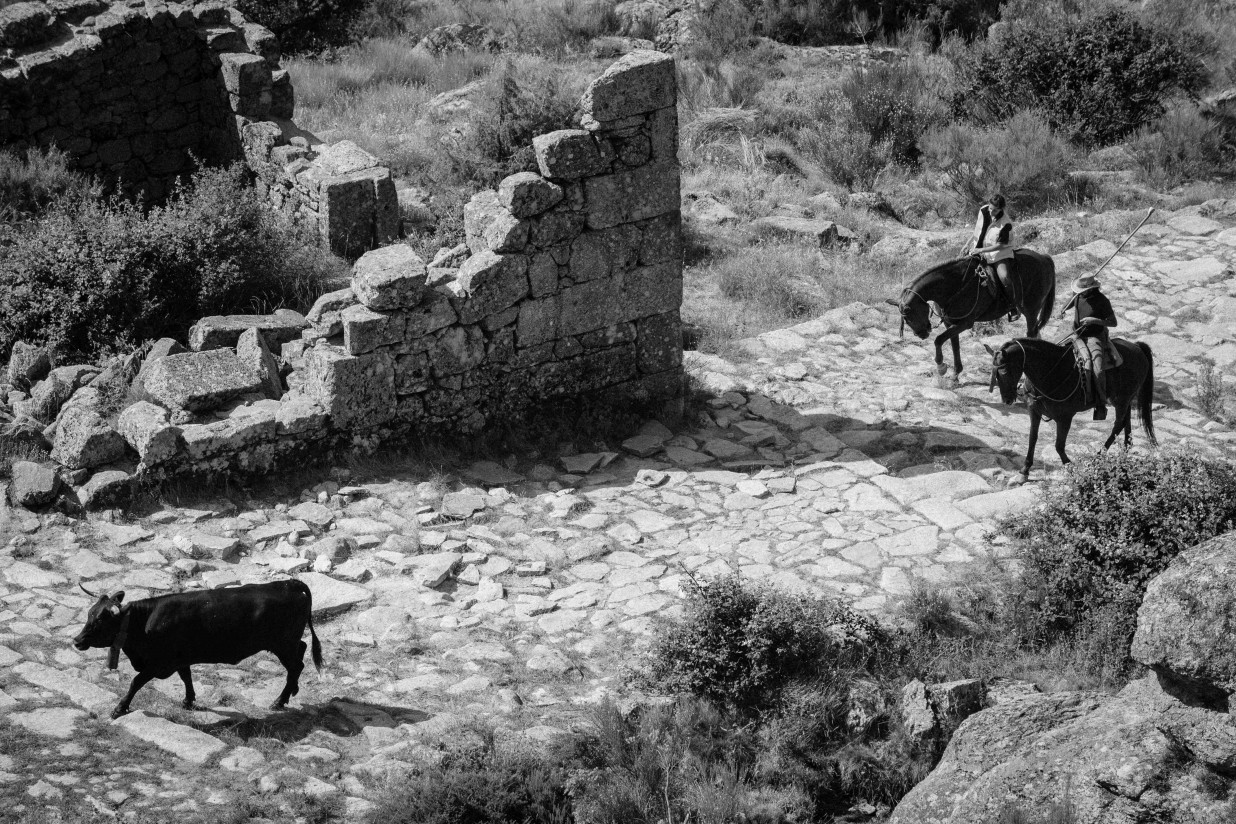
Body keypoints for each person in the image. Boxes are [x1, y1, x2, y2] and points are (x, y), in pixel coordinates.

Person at [1062, 274, 1118, 421]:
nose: (1080, 292)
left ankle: (1100, 403)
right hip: (1076, 334)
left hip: (1094, 337)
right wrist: (1063, 309)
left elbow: (1113, 322)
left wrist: (1095, 320)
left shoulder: (1102, 301)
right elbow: (1071, 301)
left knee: (1097, 369)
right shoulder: (1078, 295)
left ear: (1091, 289)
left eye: (1082, 290)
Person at [964, 194, 1019, 319]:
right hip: (979, 250)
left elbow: (1000, 246)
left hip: (999, 254)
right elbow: (978, 231)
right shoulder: (984, 210)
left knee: (1004, 277)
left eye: (995, 210)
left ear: (1001, 209)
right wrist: (967, 244)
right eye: (990, 208)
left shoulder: (1006, 224)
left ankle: (1013, 306)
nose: (991, 212)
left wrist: (981, 249)